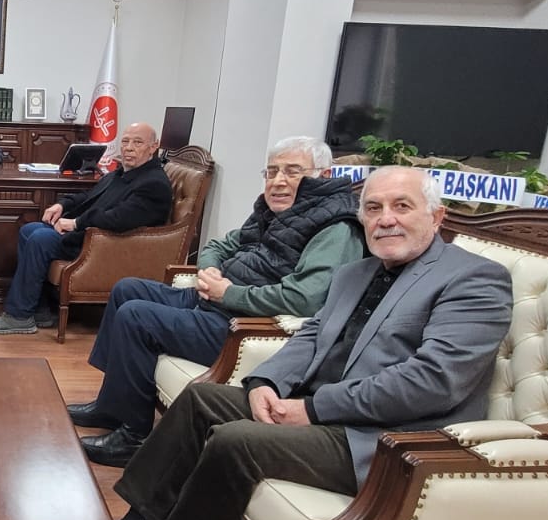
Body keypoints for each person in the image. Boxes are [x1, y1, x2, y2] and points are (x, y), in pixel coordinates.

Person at [110, 166, 513, 520]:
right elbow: (312, 334)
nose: (385, 218)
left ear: (437, 217)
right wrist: (265, 382)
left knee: (236, 439)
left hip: (384, 437)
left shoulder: (474, 278)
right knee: (201, 399)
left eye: (402, 206)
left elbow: (434, 380)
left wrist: (315, 409)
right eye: (373, 208)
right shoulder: (357, 272)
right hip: (317, 404)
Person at [73, 137, 366, 466]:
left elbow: (306, 298)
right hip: (215, 299)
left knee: (136, 316)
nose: (278, 181)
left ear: (323, 175)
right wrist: (209, 270)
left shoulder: (336, 227)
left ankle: (133, 437)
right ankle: (112, 406)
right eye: (271, 172)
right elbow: (220, 244)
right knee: (127, 289)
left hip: (239, 324)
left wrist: (230, 293)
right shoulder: (272, 210)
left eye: (292, 171)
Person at [0, 121, 172, 335]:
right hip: (92, 235)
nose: (128, 148)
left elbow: (119, 219)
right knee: (30, 230)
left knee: (40, 240)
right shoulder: (122, 173)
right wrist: (61, 204)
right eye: (125, 141)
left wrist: (75, 223)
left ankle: (19, 315)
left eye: (138, 143)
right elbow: (89, 197)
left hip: (106, 245)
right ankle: (39, 309)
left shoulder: (153, 184)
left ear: (153, 147)